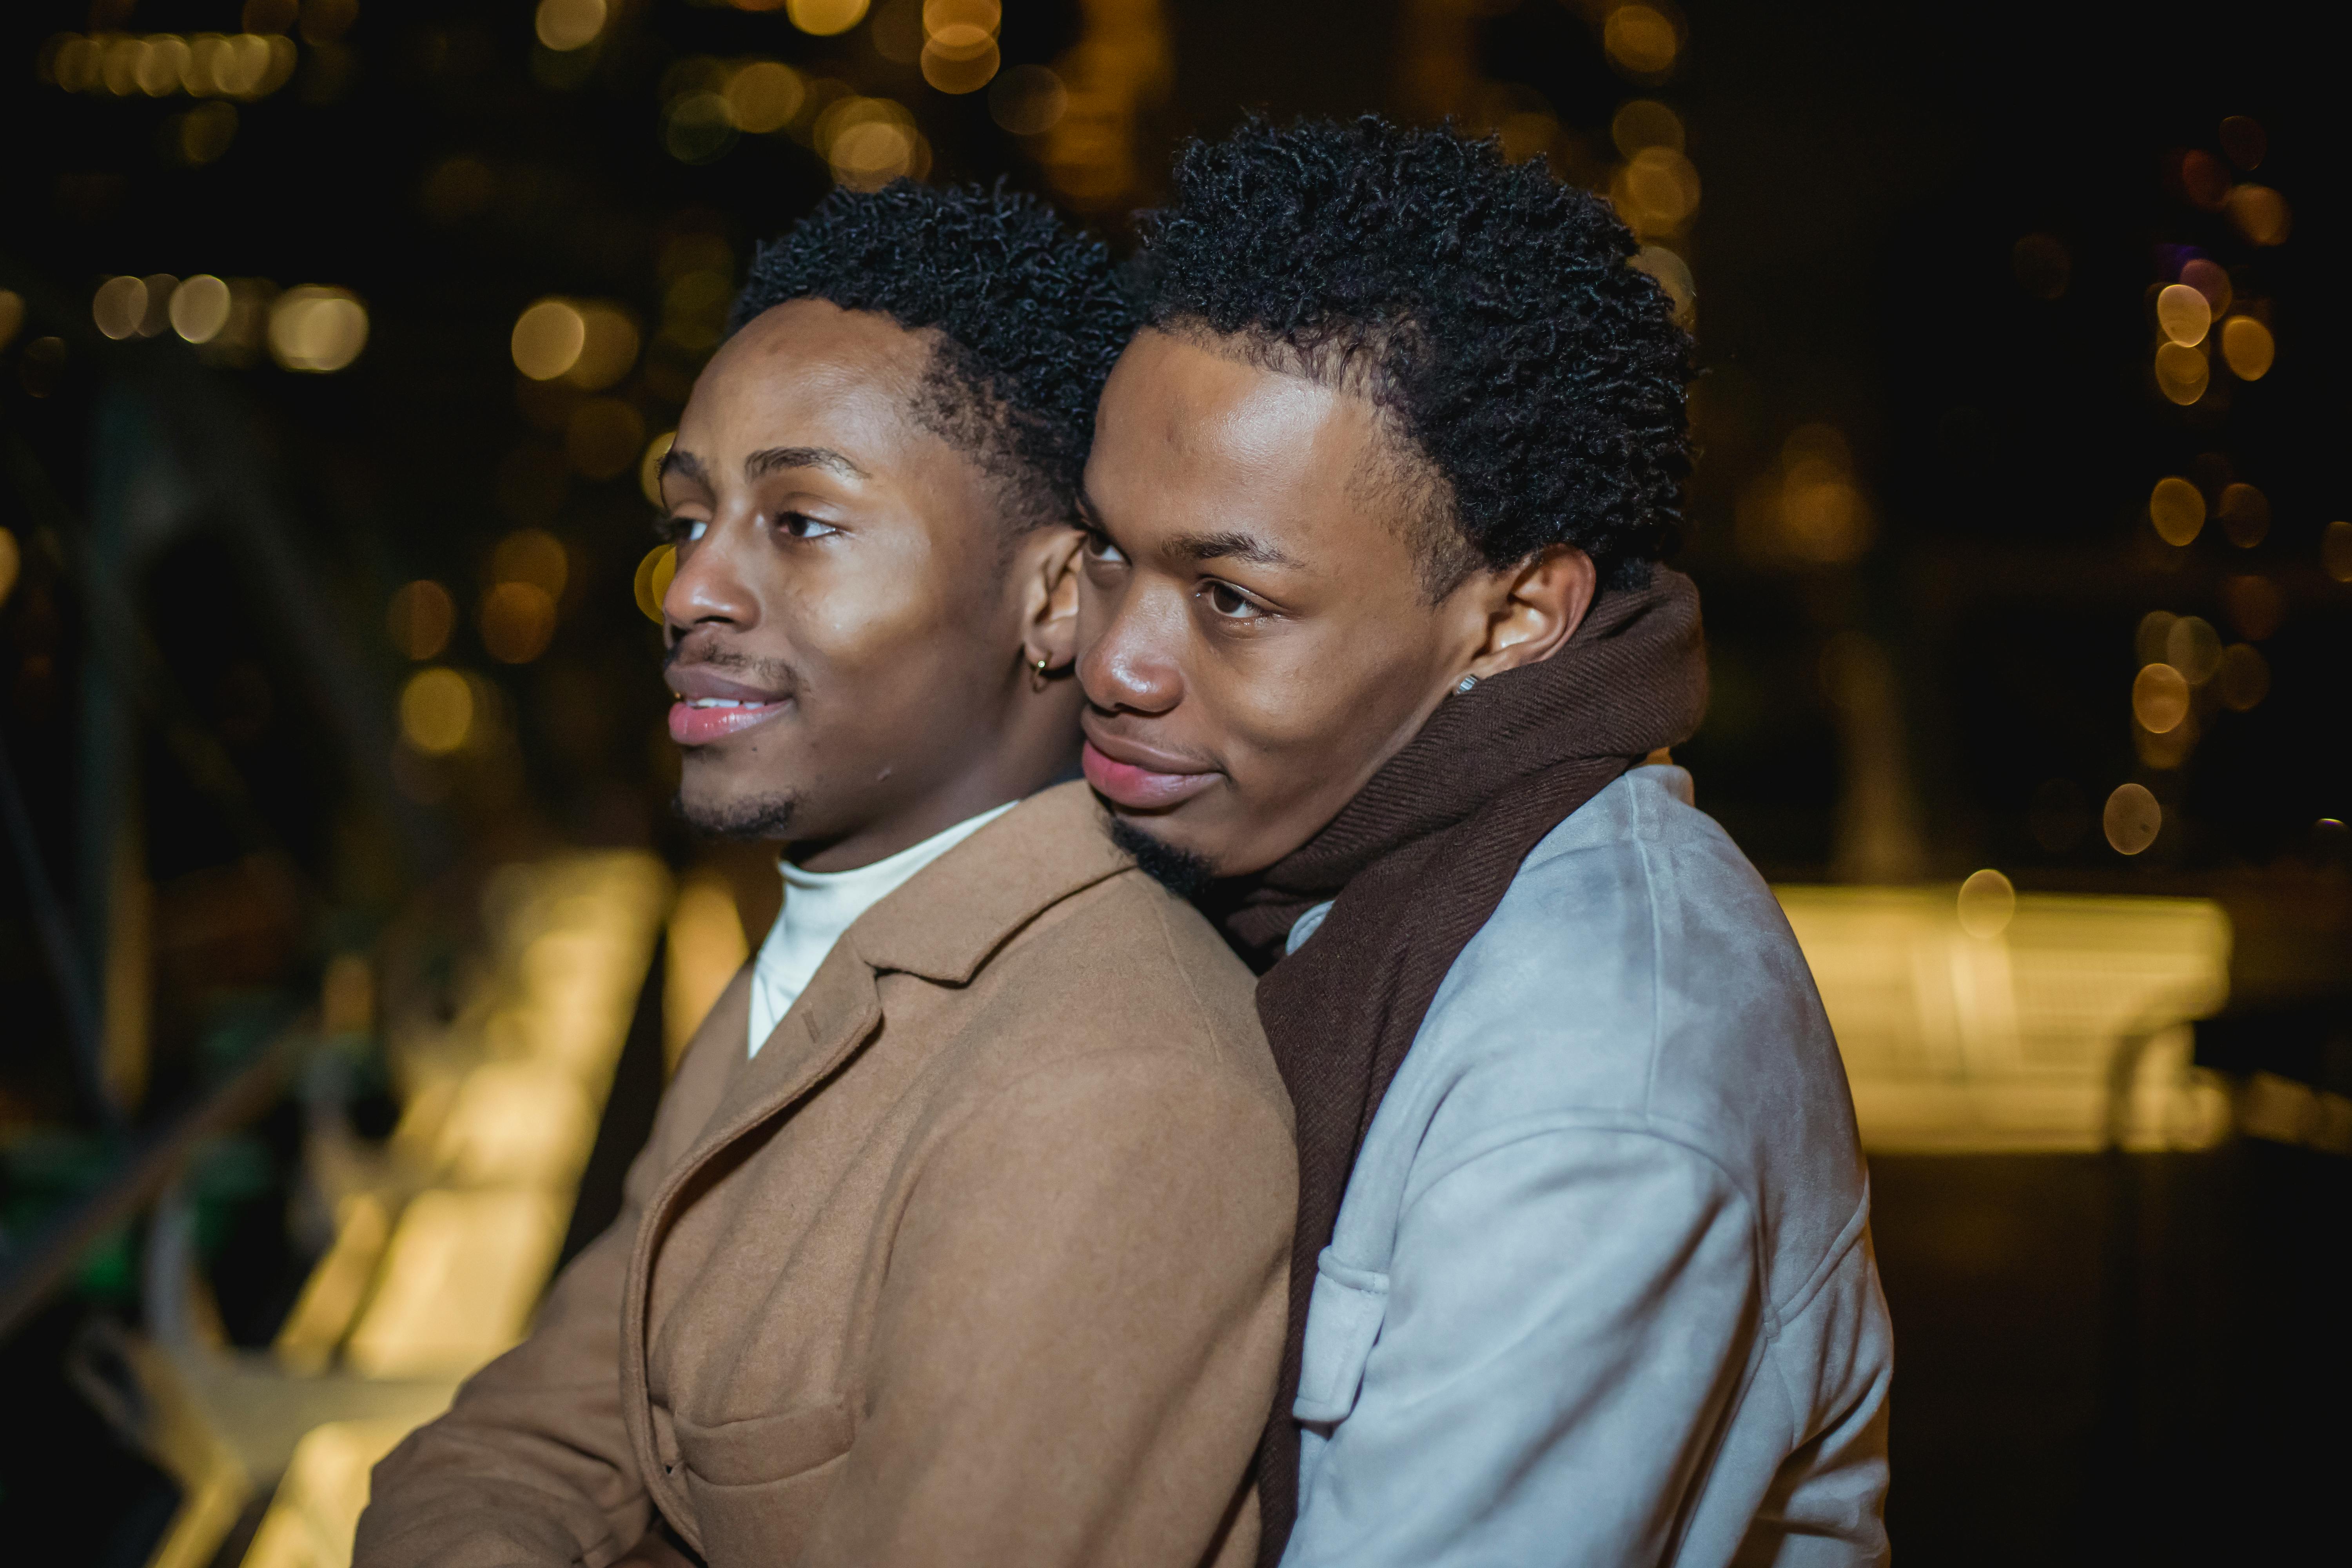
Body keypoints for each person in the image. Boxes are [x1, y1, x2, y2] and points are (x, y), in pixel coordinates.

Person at [358, 183, 1297, 1568]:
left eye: (801, 522)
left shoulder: (1106, 1085)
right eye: (692, 520)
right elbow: (532, 1442)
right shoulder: (825, 951)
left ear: (1050, 603)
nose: (690, 593)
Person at [1073, 118, 1892, 1566]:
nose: (1118, 661)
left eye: (1234, 600)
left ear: (1515, 620)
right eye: (1106, 554)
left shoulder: (1601, 1078)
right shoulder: (1275, 860)